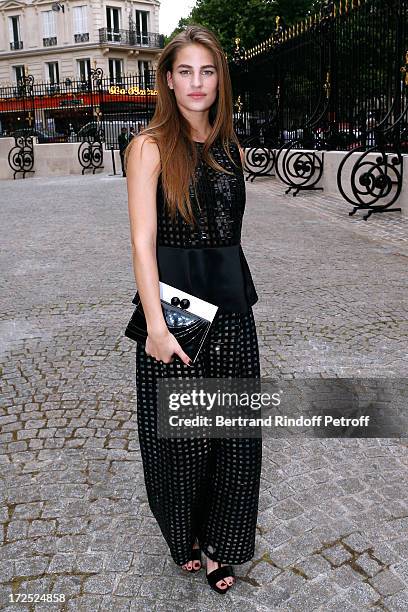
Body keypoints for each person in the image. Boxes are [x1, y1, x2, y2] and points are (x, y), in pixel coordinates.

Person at [125, 24, 261, 595]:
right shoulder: (149, 146)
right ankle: (184, 536)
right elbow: (142, 242)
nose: (197, 82)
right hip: (177, 311)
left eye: (207, 71)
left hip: (230, 306)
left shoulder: (231, 145)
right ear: (168, 79)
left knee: (233, 434)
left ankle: (221, 545)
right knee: (180, 440)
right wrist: (156, 325)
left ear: (219, 79)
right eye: (185, 71)